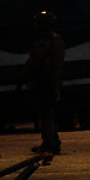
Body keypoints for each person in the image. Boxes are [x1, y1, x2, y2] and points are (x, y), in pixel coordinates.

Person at [20, 11, 66, 155]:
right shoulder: (58, 39)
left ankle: (49, 143)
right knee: (50, 113)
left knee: (45, 114)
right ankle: (53, 141)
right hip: (53, 80)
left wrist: (26, 74)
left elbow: (36, 60)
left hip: (44, 81)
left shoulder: (45, 41)